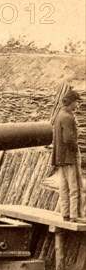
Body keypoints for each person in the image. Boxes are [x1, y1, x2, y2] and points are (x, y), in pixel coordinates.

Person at [52, 90, 84, 222]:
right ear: (71, 102)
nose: (77, 105)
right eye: (76, 102)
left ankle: (65, 214)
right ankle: (75, 216)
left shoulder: (59, 115)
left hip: (61, 157)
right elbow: (68, 139)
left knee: (64, 187)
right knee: (75, 186)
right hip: (70, 157)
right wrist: (76, 150)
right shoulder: (68, 117)